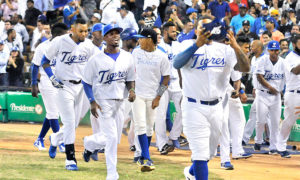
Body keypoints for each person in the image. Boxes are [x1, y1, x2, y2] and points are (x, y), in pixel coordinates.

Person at [173, 16, 249, 180]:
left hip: (217, 107)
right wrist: (196, 45)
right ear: (196, 30)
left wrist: (235, 46)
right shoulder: (186, 45)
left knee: (209, 153)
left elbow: (245, 67)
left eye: (210, 27)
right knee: (200, 153)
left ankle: (190, 173)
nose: (207, 31)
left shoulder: (225, 49)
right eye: (203, 27)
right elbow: (176, 64)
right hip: (193, 106)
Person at [41, 18, 98, 171]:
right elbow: (44, 61)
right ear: (72, 29)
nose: (84, 34)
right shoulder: (60, 41)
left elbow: (98, 62)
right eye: (81, 31)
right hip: (63, 85)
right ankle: (70, 159)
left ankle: (54, 139)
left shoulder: (88, 45)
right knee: (69, 122)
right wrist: (52, 77)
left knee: (72, 124)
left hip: (81, 87)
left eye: (86, 31)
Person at [82, 23, 136, 180]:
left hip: (121, 101)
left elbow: (130, 79)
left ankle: (89, 143)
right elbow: (86, 82)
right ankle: (112, 174)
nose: (115, 36)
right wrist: (92, 101)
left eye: (117, 33)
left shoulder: (127, 57)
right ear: (104, 38)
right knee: (111, 138)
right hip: (102, 100)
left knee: (114, 138)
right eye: (111, 33)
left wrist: (132, 90)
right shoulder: (95, 59)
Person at [132, 28, 170, 172]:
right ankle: (146, 158)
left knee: (149, 128)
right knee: (140, 125)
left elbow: (166, 78)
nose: (138, 40)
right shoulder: (136, 52)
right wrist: (131, 90)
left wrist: (159, 97)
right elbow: (130, 72)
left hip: (153, 96)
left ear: (149, 40)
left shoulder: (162, 56)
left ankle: (143, 156)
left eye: (141, 38)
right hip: (138, 95)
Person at [31, 23, 69, 151]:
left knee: (52, 112)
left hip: (59, 82)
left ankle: (40, 139)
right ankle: (60, 143)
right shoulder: (43, 47)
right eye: (65, 34)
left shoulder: (64, 47)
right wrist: (33, 84)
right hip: (46, 81)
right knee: (53, 113)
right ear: (58, 35)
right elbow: (35, 65)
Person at [155, 21, 183, 155]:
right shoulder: (158, 46)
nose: (175, 34)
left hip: (177, 82)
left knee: (184, 109)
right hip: (162, 84)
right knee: (160, 115)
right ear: (165, 32)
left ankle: (173, 136)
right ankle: (162, 144)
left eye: (176, 31)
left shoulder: (178, 45)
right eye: (173, 31)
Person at [254, 40, 285, 154]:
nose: (274, 52)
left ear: (279, 50)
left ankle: (273, 146)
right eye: (272, 50)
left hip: (276, 96)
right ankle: (258, 141)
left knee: (275, 122)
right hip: (262, 94)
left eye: (276, 50)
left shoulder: (283, 62)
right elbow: (259, 76)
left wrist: (283, 92)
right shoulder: (262, 60)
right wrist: (269, 87)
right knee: (261, 120)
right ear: (268, 50)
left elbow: (287, 78)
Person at [276, 34, 300, 158]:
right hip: (293, 94)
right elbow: (296, 71)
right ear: (295, 44)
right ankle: (280, 146)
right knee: (289, 120)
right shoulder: (290, 57)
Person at [242, 40, 265, 145]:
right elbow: (253, 75)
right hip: (258, 90)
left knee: (256, 114)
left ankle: (245, 138)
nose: (251, 48)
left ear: (259, 47)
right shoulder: (254, 59)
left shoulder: (265, 59)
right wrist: (254, 87)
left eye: (253, 46)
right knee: (261, 116)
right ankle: (269, 139)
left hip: (265, 91)